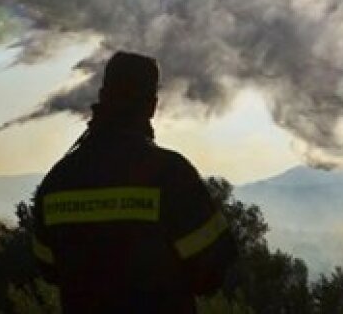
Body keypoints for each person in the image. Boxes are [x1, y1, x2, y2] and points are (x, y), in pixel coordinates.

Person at [32, 51, 237, 313]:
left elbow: (48, 270)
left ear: (103, 96)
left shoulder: (57, 181)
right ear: (151, 106)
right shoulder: (170, 175)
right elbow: (212, 270)